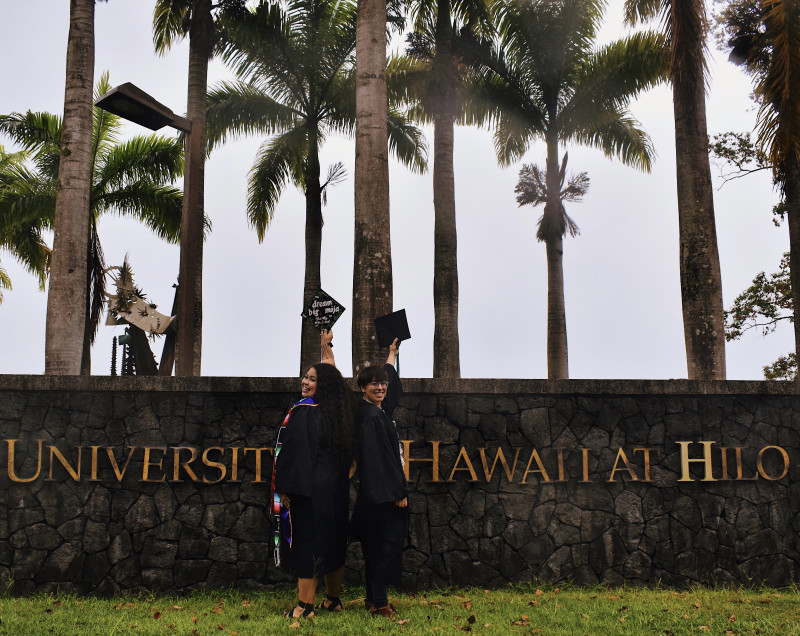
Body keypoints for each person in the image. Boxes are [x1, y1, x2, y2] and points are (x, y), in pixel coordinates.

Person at [273, 330, 355, 618]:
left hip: (308, 492)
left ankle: (304, 608)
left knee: (307, 543)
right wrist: (326, 348)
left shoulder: (306, 412)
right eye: (305, 377)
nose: (305, 382)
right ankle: (333, 599)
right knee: (333, 541)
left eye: (312, 379)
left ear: (323, 386)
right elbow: (336, 380)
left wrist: (285, 489)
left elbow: (297, 454)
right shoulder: (338, 412)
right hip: (333, 491)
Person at [351, 339, 409, 618]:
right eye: (373, 383)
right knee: (381, 546)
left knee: (374, 546)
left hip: (373, 493)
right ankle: (379, 604)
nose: (381, 387)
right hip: (381, 495)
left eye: (382, 382)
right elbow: (380, 460)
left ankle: (374, 598)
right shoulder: (371, 417)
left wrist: (391, 356)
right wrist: (397, 492)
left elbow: (393, 392)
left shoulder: (374, 411)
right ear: (363, 388)